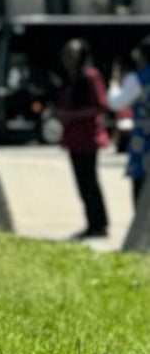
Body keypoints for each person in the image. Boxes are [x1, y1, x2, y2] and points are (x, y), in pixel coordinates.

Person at [55, 39, 110, 239]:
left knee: (89, 182)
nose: (68, 59)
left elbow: (100, 105)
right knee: (82, 184)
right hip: (73, 139)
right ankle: (92, 222)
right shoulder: (70, 79)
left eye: (72, 54)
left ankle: (99, 224)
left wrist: (72, 115)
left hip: (87, 137)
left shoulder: (90, 76)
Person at [108, 36, 150, 211]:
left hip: (144, 141)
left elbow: (116, 103)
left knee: (141, 187)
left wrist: (114, 85)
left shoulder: (137, 78)